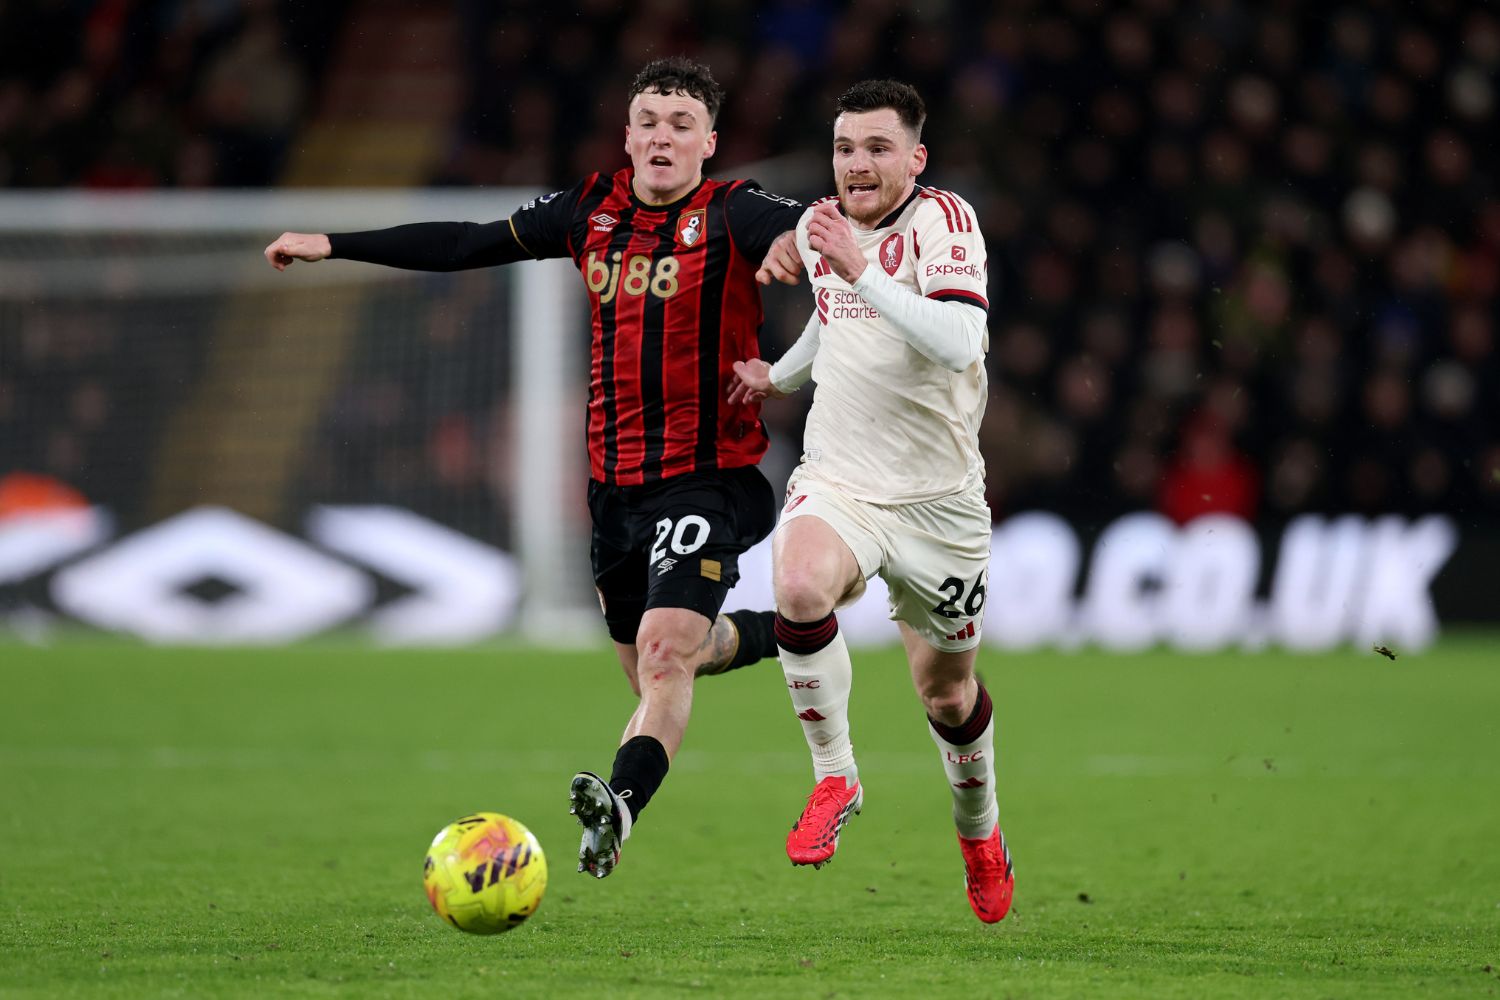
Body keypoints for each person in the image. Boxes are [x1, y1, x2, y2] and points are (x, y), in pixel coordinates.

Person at [265, 57, 805, 879]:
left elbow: (808, 228)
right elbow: (464, 243)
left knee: (663, 655)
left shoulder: (735, 211)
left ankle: (618, 806)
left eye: (681, 124)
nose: (663, 137)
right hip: (614, 492)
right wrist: (334, 243)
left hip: (709, 479)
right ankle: (790, 631)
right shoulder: (589, 208)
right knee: (660, 666)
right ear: (628, 136)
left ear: (709, 142)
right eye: (650, 122)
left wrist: (800, 246)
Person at [729, 80, 1014, 923]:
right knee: (800, 586)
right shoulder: (821, 227)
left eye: (877, 148)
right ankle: (835, 776)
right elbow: (832, 319)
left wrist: (865, 271)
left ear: (914, 159)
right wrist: (776, 376)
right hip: (843, 477)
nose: (857, 164)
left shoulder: (945, 223)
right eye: (846, 148)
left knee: (948, 697)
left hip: (940, 504)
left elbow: (963, 338)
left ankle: (980, 835)